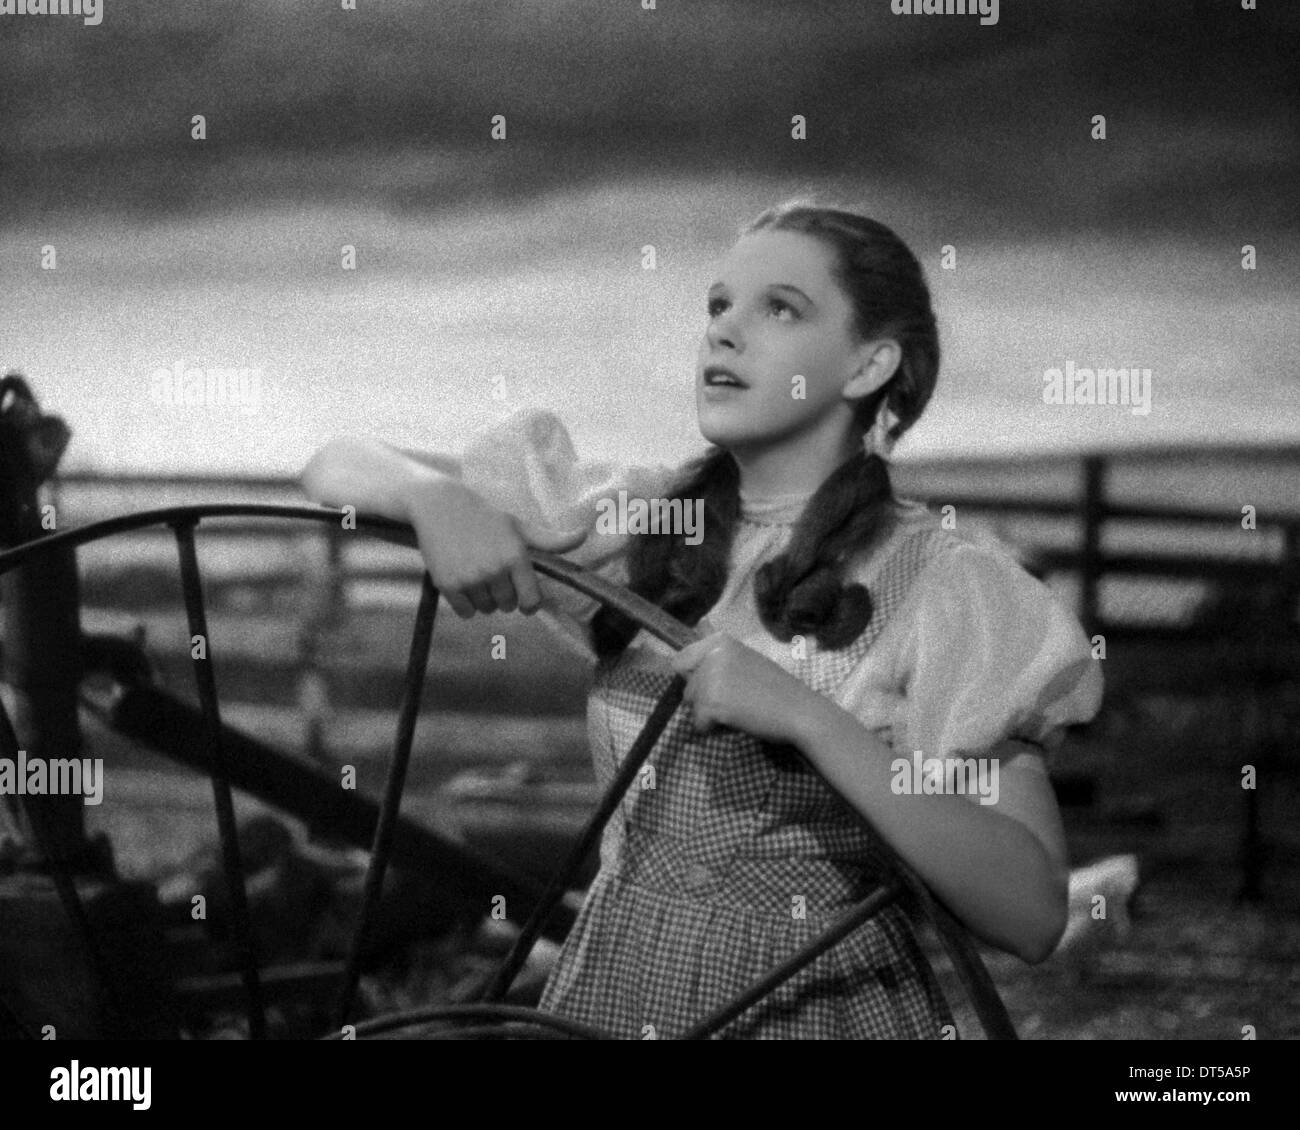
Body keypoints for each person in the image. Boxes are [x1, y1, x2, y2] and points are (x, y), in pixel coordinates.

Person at [300, 200, 1104, 1038]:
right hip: (612, 993)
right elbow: (333, 462)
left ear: (869, 368)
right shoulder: (650, 522)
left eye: (779, 308)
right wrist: (434, 497)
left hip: (810, 1009)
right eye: (718, 306)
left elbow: (1031, 912)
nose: (723, 333)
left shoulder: (945, 587)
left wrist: (810, 720)